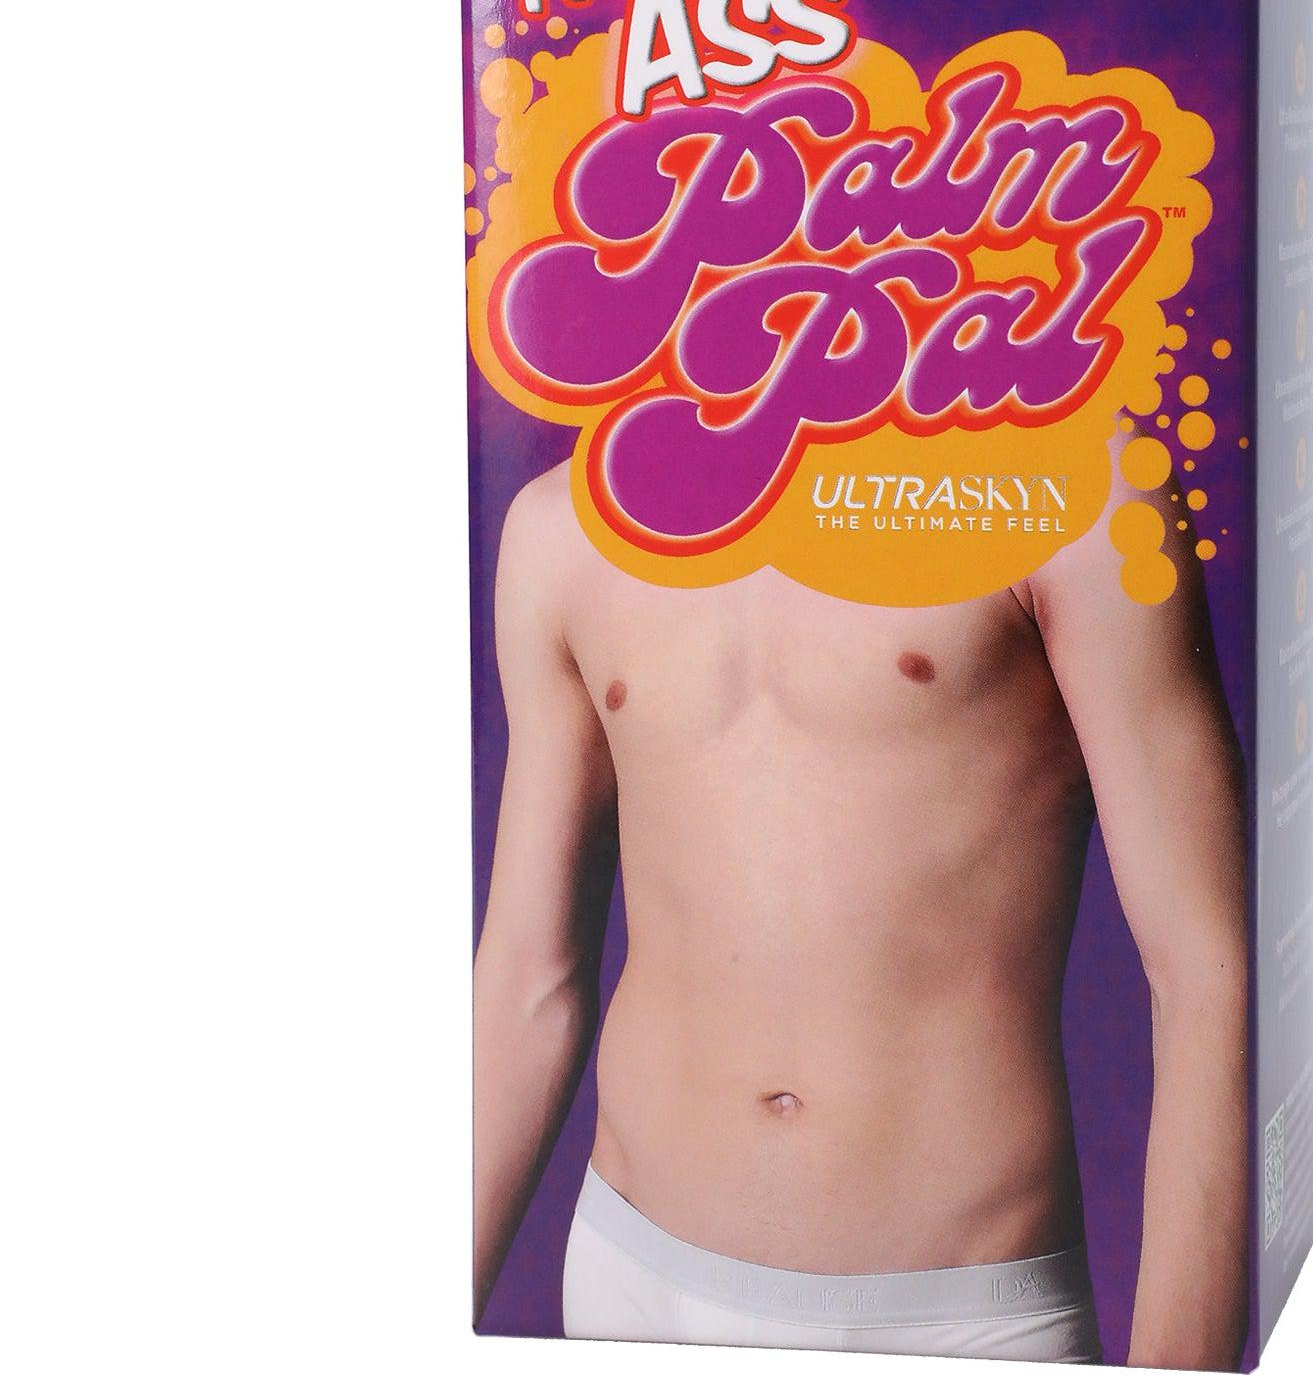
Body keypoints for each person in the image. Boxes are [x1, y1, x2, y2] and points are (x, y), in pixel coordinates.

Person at [472, 442, 1248, 1367]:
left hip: (959, 1317)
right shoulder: (564, 526)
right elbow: (527, 982)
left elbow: (1208, 975)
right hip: (629, 1276)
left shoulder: (1077, 486)